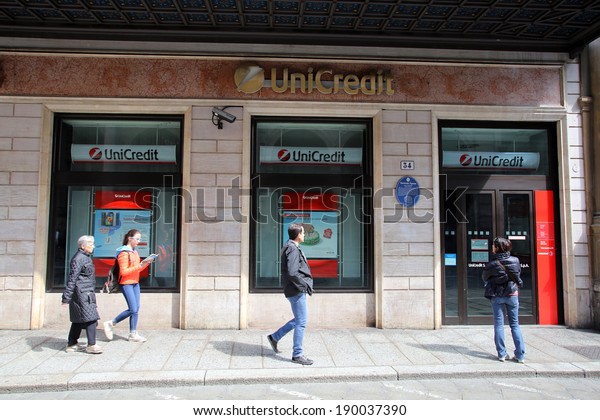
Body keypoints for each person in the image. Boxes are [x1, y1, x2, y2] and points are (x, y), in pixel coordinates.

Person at [267, 223, 314, 365]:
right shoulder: (292, 249)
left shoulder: (290, 246)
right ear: (298, 235)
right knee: (301, 322)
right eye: (303, 233)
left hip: (293, 289)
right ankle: (297, 354)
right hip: (295, 289)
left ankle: (275, 337)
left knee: (299, 319)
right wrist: (303, 285)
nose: (305, 235)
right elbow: (292, 272)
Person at [103, 229, 154, 343]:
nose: (139, 241)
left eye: (140, 239)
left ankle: (133, 333)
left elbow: (138, 269)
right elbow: (124, 272)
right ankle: (111, 323)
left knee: (136, 309)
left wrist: (145, 264)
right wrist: (140, 265)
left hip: (135, 282)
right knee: (133, 309)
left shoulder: (134, 252)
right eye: (137, 239)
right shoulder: (123, 253)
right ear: (130, 239)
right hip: (126, 283)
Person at [482, 237, 526, 363]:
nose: (492, 247)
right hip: (512, 294)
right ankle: (520, 355)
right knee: (515, 324)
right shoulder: (515, 260)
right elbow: (518, 274)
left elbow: (484, 277)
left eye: (493, 245)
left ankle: (501, 354)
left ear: (497, 248)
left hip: (497, 295)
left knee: (499, 324)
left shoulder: (492, 264)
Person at [61, 235, 102, 354]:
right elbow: (72, 278)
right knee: (91, 319)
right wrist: (66, 297)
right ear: (83, 246)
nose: (93, 246)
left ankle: (72, 343)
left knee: (78, 319)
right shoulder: (78, 259)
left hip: (86, 292)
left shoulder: (85, 257)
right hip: (81, 294)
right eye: (90, 244)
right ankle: (91, 345)